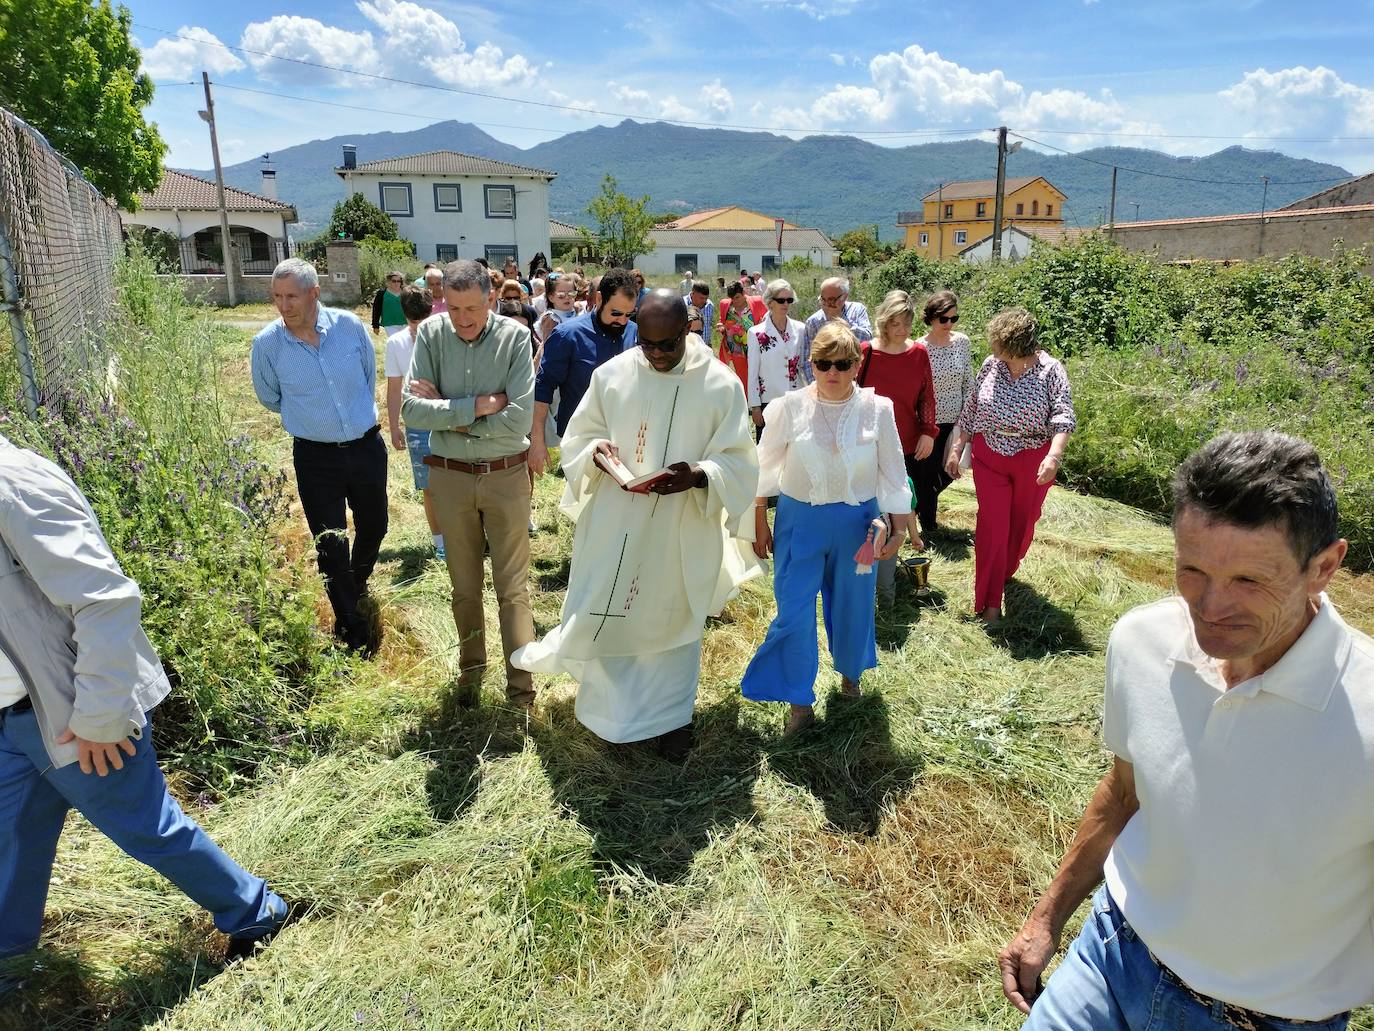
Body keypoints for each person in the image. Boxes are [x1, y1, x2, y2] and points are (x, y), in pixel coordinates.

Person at [1001, 430, 1369, 1031]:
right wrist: (1046, 918)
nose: (1210, 605)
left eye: (1249, 581)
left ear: (1324, 567)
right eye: (1191, 569)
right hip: (1110, 955)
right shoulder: (1142, 643)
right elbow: (1124, 792)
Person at [0, 435, 297, 965]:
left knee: (148, 829)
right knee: (10, 846)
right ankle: (11, 968)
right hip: (12, 718)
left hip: (70, 716)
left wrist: (98, 717)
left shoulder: (13, 485)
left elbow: (106, 601)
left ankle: (256, 912)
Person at [512, 291, 759, 760]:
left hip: (680, 527)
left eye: (667, 344)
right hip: (618, 523)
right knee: (613, 615)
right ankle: (614, 720)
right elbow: (580, 438)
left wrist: (700, 475)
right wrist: (597, 455)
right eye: (647, 344)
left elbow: (741, 462)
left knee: (672, 625)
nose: (658, 355)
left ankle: (673, 724)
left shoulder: (720, 385)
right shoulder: (612, 375)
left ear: (689, 329)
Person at [742, 323, 914, 734]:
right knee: (794, 609)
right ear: (811, 365)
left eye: (840, 364)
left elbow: (893, 472)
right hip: (799, 522)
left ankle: (851, 677)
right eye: (822, 364)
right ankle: (798, 700)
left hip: (859, 525)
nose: (831, 372)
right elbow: (762, 467)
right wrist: (758, 519)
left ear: (856, 365)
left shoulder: (879, 409)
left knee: (853, 606)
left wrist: (900, 529)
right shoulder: (788, 406)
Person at [401, 260, 537, 709]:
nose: (463, 318)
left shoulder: (516, 338)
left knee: (512, 587)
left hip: (506, 475)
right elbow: (412, 412)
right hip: (451, 478)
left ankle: (521, 690)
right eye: (454, 307)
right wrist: (478, 407)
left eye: (473, 308)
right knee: (463, 585)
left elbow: (518, 418)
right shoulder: (432, 335)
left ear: (491, 299)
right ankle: (471, 677)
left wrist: (450, 411)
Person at [251, 258, 387, 655]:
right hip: (315, 457)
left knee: (375, 525)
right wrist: (315, 420)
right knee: (330, 542)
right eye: (277, 296)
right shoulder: (267, 345)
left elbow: (367, 376)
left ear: (315, 293)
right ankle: (350, 622)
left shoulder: (349, 327)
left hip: (365, 447)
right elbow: (269, 397)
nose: (284, 304)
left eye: (292, 295)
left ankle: (355, 583)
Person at [944, 307, 1074, 624]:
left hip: (1033, 456)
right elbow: (972, 406)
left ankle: (1004, 571)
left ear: (1012, 343)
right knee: (992, 526)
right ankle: (989, 604)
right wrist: (957, 446)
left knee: (1021, 525)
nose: (991, 347)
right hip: (991, 454)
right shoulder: (991, 366)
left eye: (997, 341)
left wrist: (1053, 457)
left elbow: (1063, 416)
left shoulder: (1051, 371)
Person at [861, 290, 937, 607]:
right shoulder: (866, 352)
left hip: (905, 442)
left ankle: (889, 570)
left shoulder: (919, 353)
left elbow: (927, 398)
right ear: (884, 322)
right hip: (867, 443)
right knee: (871, 507)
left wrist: (928, 433)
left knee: (900, 503)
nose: (902, 330)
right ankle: (867, 566)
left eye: (906, 323)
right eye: (896, 323)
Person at [529, 267, 639, 476]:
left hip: (624, 438)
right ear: (599, 299)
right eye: (615, 313)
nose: (622, 321)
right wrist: (537, 441)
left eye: (628, 314)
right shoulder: (567, 335)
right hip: (581, 440)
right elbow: (542, 388)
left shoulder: (633, 331)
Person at [384, 286, 445, 560]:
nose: (417, 328)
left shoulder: (445, 336)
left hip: (446, 416)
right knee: (429, 485)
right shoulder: (395, 343)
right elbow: (394, 388)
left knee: (459, 481)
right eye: (412, 321)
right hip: (418, 422)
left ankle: (467, 535)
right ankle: (440, 542)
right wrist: (395, 425)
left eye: (422, 320)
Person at [913, 290, 974, 537]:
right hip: (929, 423)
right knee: (927, 475)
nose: (949, 324)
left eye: (954, 319)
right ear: (931, 319)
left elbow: (968, 382)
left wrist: (968, 416)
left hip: (957, 420)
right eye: (944, 319)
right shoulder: (919, 347)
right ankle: (929, 526)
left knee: (949, 472)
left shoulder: (962, 342)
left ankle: (918, 506)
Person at [746, 278, 806, 439]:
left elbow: (805, 366)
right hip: (769, 403)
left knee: (794, 450)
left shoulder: (801, 329)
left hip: (795, 400)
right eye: (781, 300)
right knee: (768, 454)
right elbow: (752, 373)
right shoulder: (755, 333)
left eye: (789, 300)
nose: (786, 304)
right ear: (770, 302)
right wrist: (755, 407)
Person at [799, 277, 873, 384]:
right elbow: (807, 360)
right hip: (826, 384)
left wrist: (839, 320)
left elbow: (867, 338)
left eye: (832, 299)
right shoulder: (813, 322)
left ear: (845, 296)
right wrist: (817, 386)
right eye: (823, 299)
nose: (827, 304)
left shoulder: (857, 310)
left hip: (855, 381)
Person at [715, 281, 766, 391]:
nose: (734, 301)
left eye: (737, 297)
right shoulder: (725, 304)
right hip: (736, 349)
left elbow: (768, 316)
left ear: (743, 293)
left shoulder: (757, 301)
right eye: (732, 298)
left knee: (758, 376)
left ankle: (759, 403)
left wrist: (764, 322)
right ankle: (747, 404)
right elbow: (722, 320)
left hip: (754, 348)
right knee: (742, 378)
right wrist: (721, 326)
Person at [536, 272, 578, 344]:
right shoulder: (551, 318)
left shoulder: (578, 311)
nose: (567, 298)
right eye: (561, 295)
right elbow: (549, 345)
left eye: (571, 294)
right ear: (551, 298)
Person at [370, 270, 407, 337]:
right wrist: (375, 325)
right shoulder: (382, 293)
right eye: (394, 281)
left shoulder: (406, 292)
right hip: (390, 324)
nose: (396, 283)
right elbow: (376, 310)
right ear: (389, 281)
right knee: (396, 342)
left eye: (398, 281)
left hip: (406, 323)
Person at [686, 281, 715, 350]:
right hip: (687, 349)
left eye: (706, 298)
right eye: (701, 298)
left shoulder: (710, 305)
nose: (704, 301)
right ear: (693, 293)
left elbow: (709, 325)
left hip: (705, 347)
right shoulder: (682, 304)